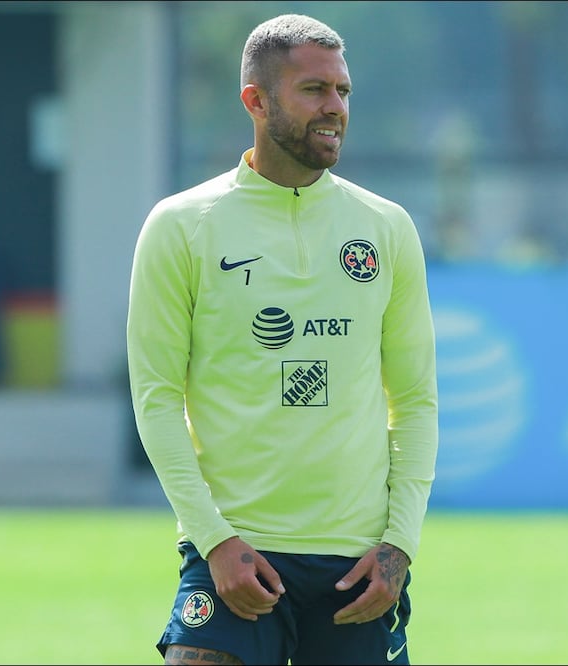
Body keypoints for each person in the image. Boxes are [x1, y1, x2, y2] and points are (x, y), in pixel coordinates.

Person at [126, 13, 438, 665]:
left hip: (355, 566)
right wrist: (212, 539)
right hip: (235, 555)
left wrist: (399, 544)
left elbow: (413, 401)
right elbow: (156, 399)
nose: (335, 109)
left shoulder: (385, 227)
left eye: (343, 92)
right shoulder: (180, 225)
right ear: (255, 101)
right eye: (314, 91)